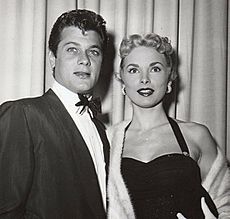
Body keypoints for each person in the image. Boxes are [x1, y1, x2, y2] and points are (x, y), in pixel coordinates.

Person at [0, 9, 110, 218]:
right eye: (72, 50)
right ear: (52, 58)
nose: (85, 60)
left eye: (93, 51)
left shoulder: (99, 129)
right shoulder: (22, 115)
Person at [107, 33, 230, 219]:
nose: (144, 79)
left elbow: (225, 203)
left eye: (155, 69)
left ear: (170, 79)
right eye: (133, 70)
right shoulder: (108, 140)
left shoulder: (196, 135)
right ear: (122, 81)